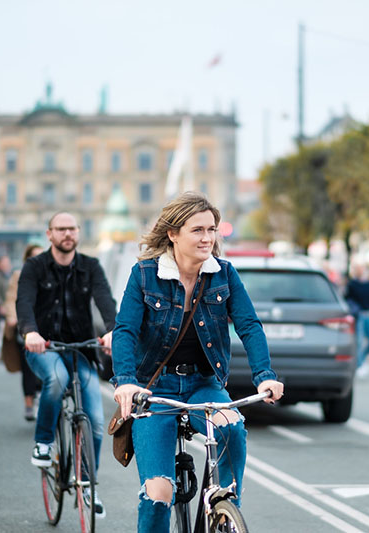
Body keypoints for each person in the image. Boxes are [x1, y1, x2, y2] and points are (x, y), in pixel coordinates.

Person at [111, 192, 284, 533]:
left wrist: (265, 375)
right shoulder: (145, 274)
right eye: (197, 230)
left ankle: (223, 505)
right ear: (173, 234)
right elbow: (125, 331)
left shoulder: (224, 274)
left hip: (203, 383)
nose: (207, 237)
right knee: (159, 493)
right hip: (154, 388)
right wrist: (126, 381)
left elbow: (248, 326)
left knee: (231, 424)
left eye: (212, 229)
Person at [16, 212, 116, 517]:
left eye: (72, 228)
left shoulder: (91, 266)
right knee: (56, 379)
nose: (67, 234)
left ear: (79, 232)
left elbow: (105, 300)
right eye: (61, 229)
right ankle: (44, 442)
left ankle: (87, 484)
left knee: (96, 419)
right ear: (49, 234)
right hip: (44, 347)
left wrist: (113, 330)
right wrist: (30, 331)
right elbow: (24, 301)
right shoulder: (34, 267)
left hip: (81, 350)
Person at [2, 244, 43, 421]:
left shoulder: (52, 274)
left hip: (45, 327)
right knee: (28, 367)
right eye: (34, 256)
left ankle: (42, 394)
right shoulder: (19, 275)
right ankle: (28, 402)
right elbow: (12, 299)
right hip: (25, 326)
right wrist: (12, 318)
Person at [345, 264, 369, 376]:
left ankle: (361, 359)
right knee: (359, 341)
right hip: (359, 315)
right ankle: (359, 364)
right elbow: (348, 299)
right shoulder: (352, 284)